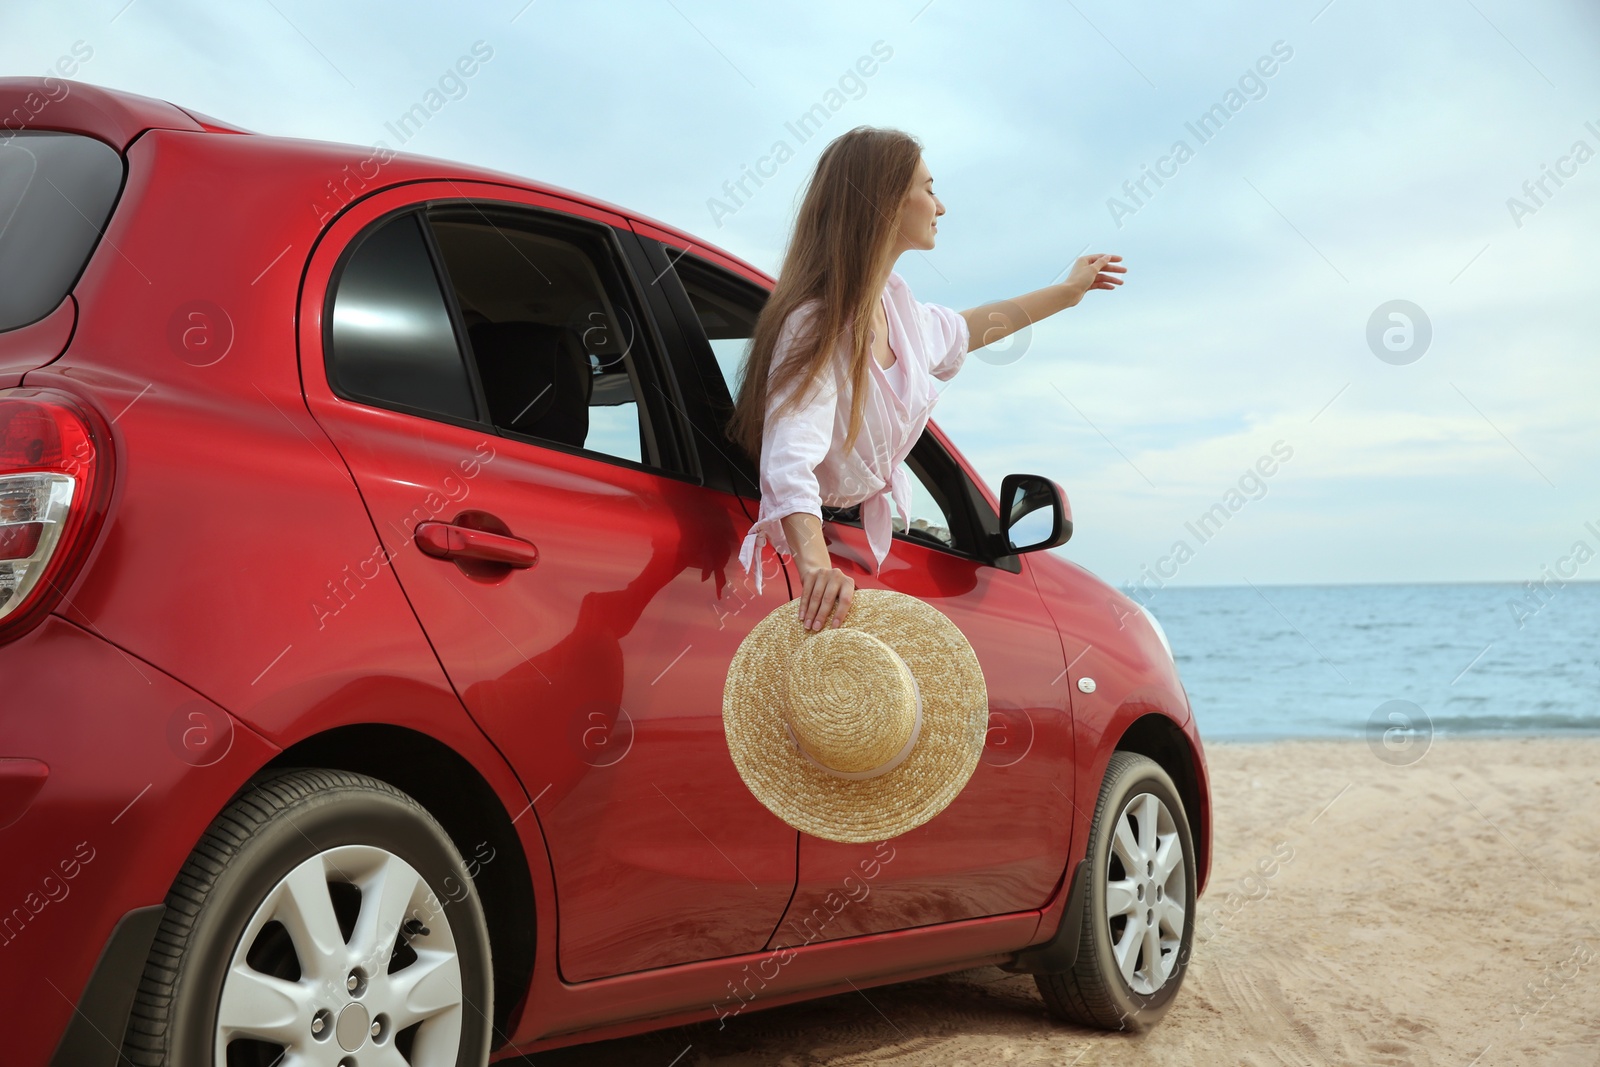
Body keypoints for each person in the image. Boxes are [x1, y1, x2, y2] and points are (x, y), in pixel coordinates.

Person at [726, 126, 1125, 633]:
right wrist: (816, 570)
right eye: (929, 188)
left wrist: (1066, 293)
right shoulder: (815, 323)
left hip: (852, 550)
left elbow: (970, 327)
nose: (941, 207)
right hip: (804, 555)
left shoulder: (897, 307)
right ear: (887, 201)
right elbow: (789, 459)